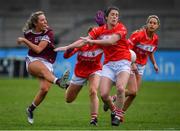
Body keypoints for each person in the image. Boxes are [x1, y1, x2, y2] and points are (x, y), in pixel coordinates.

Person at [80, 6, 132, 126]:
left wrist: (92, 41)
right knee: (103, 95)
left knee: (120, 88)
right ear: (106, 17)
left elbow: (110, 41)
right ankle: (114, 110)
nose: (115, 17)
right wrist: (68, 47)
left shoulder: (121, 27)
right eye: (112, 14)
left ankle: (118, 116)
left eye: (117, 15)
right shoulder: (100, 30)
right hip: (108, 64)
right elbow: (85, 40)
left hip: (123, 62)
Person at [16, 11, 69, 124]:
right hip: (33, 60)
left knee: (44, 89)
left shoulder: (49, 33)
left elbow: (39, 49)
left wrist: (24, 41)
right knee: (45, 71)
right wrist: (25, 39)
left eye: (45, 19)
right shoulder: (28, 33)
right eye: (42, 20)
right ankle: (60, 82)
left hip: (47, 62)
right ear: (36, 23)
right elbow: (36, 52)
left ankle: (30, 109)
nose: (45, 21)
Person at [104, 15, 160, 121]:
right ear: (147, 24)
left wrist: (154, 64)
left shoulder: (155, 39)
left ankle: (115, 103)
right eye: (150, 22)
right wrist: (132, 63)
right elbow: (126, 48)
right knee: (132, 91)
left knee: (133, 93)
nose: (152, 25)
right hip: (129, 63)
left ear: (157, 26)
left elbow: (150, 52)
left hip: (141, 66)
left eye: (154, 23)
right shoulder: (138, 35)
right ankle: (119, 114)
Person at [54, 10, 105, 126]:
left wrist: (102, 25)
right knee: (68, 99)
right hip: (80, 73)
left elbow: (109, 35)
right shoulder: (81, 44)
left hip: (95, 70)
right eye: (91, 35)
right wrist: (69, 49)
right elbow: (66, 56)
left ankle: (94, 119)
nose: (93, 38)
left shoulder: (101, 44)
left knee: (93, 91)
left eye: (95, 35)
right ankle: (66, 85)